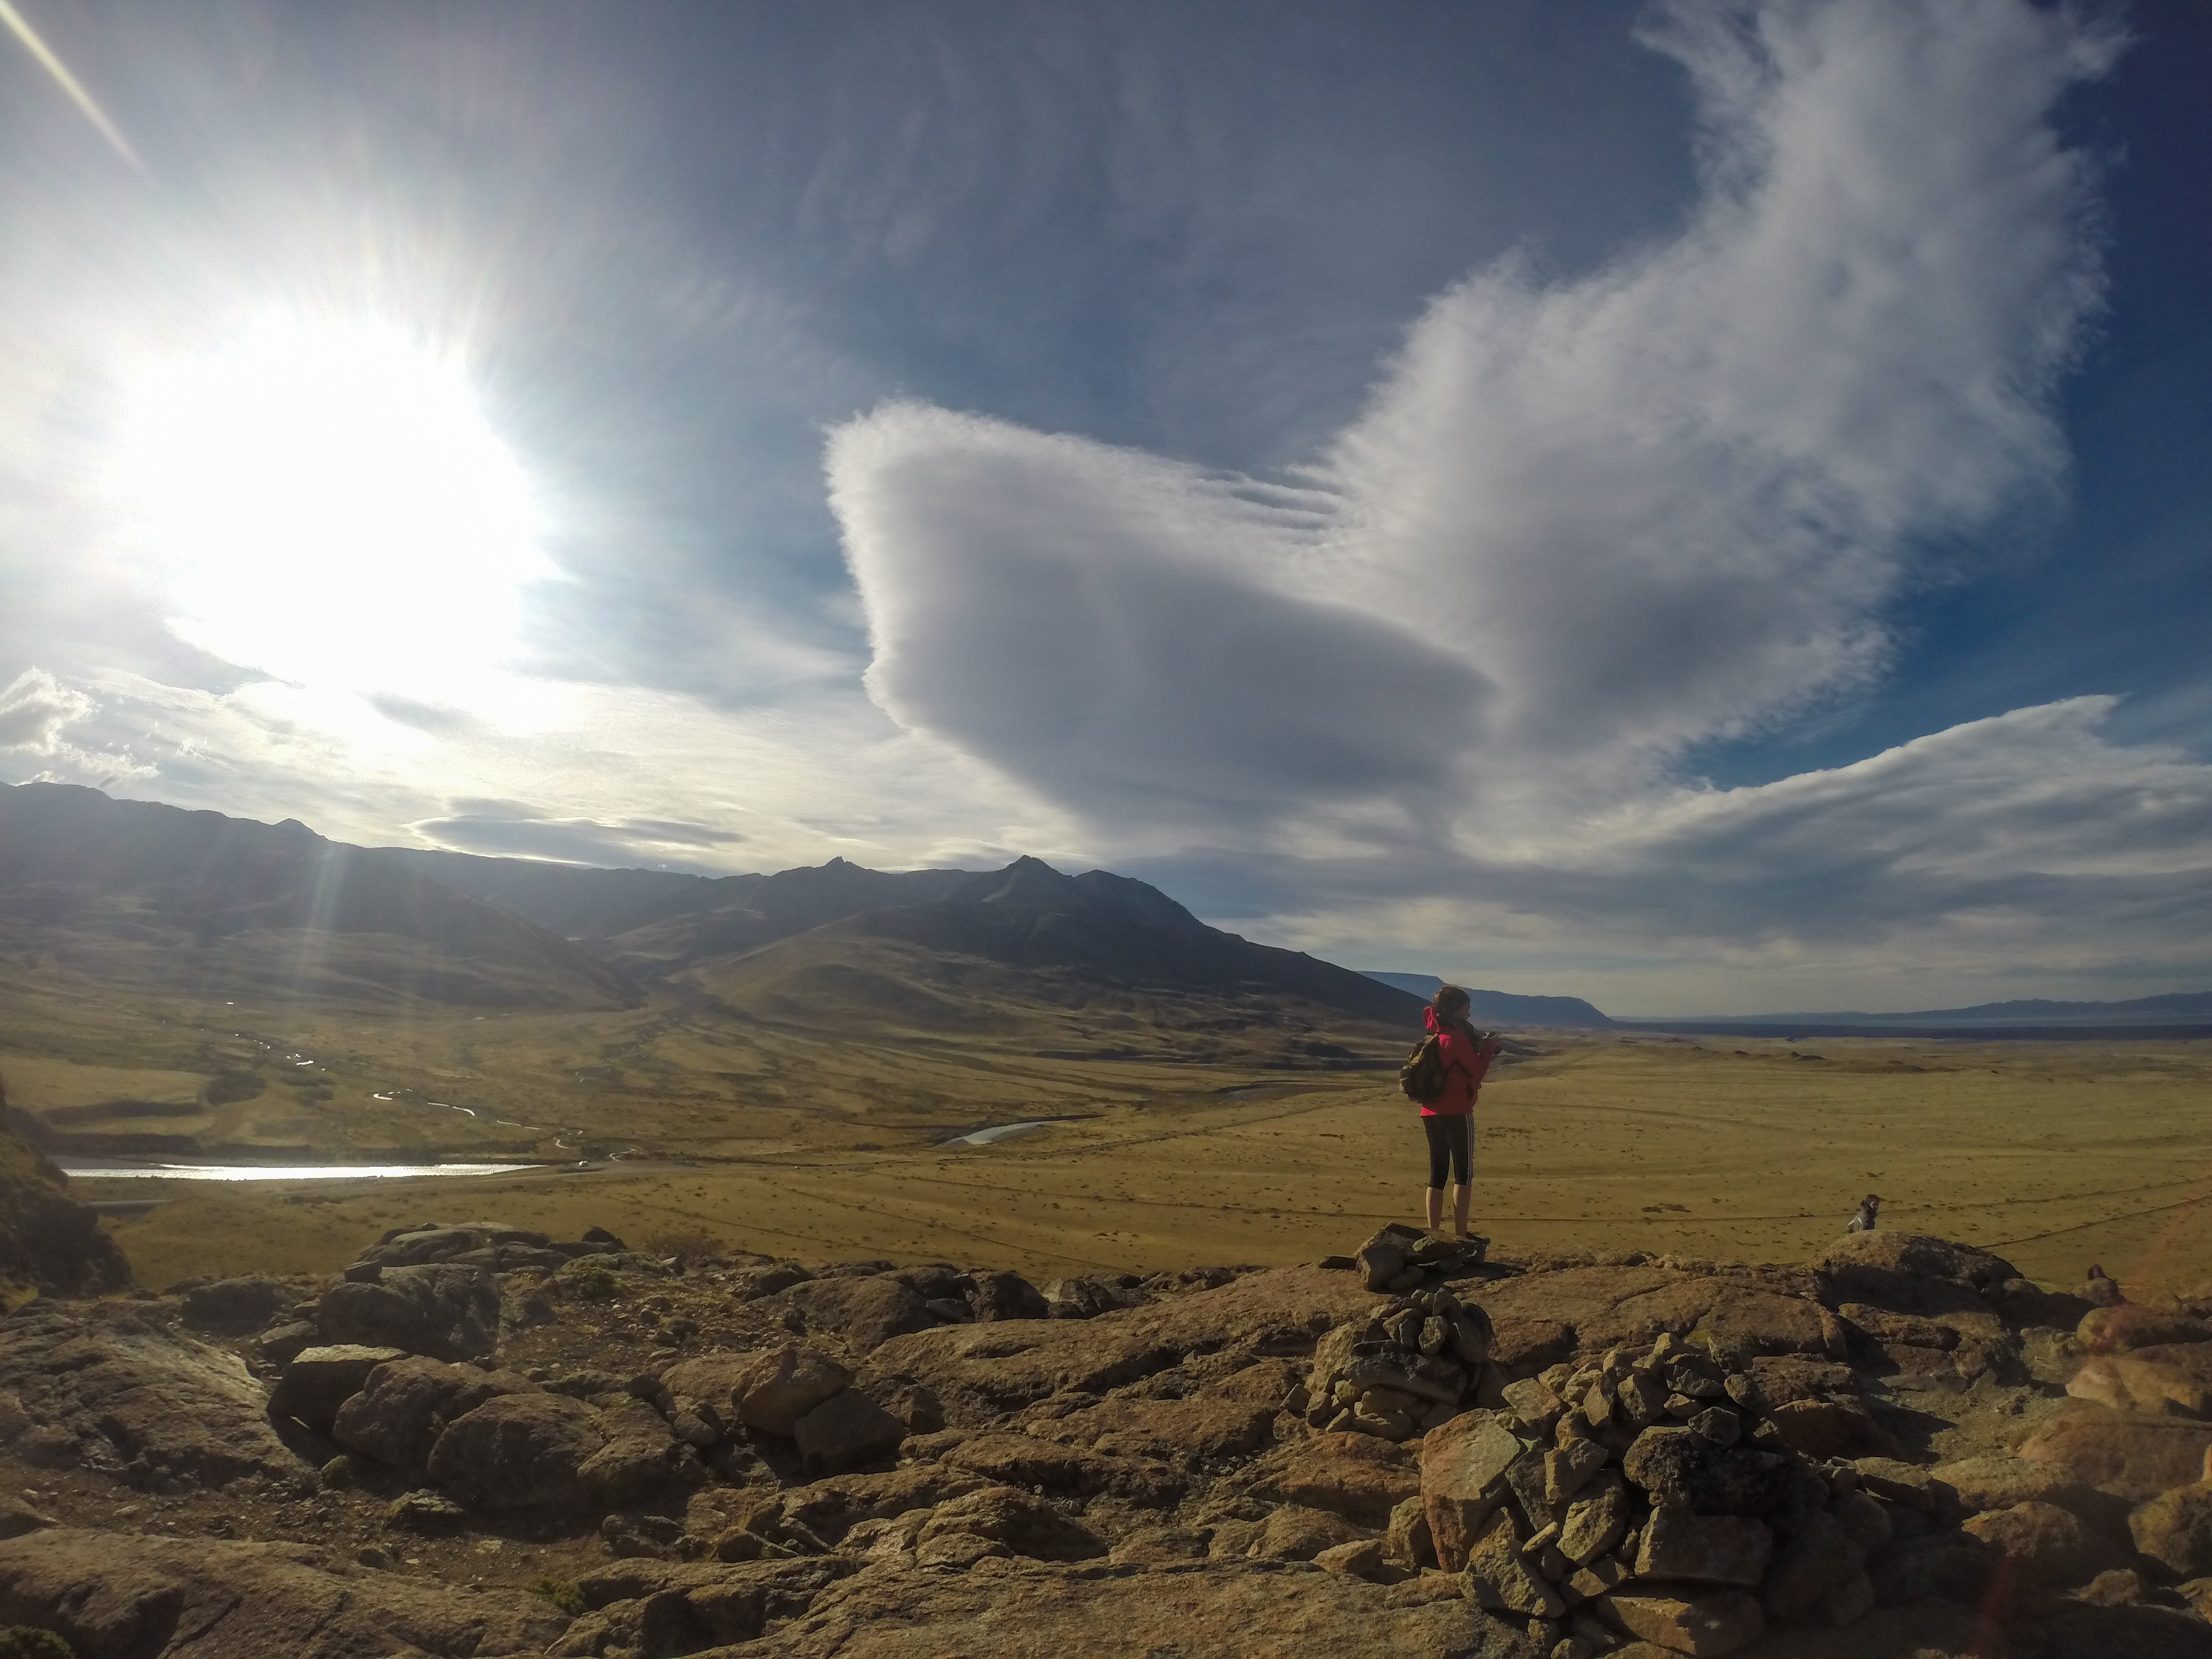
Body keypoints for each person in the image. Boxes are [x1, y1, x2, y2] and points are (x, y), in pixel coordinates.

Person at [1420, 984, 1500, 1239]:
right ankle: (1461, 1235)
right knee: (1463, 1174)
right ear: (1455, 1009)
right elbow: (1476, 1071)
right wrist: (1489, 1048)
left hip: (1430, 1111)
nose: (1469, 1012)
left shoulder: (1436, 1035)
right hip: (1457, 1111)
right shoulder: (1456, 1037)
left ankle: (1433, 1235)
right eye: (1466, 1007)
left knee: (1437, 1174)